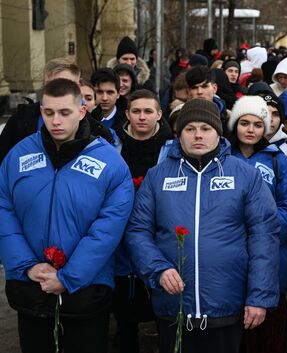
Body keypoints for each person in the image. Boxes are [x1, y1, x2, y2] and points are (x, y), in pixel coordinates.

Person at [124, 98, 281, 353]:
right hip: (173, 306)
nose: (198, 135)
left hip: (226, 305)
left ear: (218, 132)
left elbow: (264, 235)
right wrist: (158, 269)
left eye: (206, 129)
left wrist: (259, 297)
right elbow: (137, 230)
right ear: (179, 133)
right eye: (190, 129)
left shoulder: (245, 175)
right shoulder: (158, 176)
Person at [0, 78, 134, 353]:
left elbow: (107, 229)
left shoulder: (110, 163)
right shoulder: (18, 155)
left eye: (64, 113)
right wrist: (27, 265)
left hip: (85, 292)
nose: (55, 121)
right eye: (48, 113)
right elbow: (4, 209)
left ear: (82, 111)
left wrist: (69, 277)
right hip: (31, 288)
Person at [228, 96, 287, 353]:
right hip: (229, 255)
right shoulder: (223, 157)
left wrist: (264, 233)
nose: (250, 130)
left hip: (270, 256)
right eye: (244, 123)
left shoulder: (277, 160)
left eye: (258, 124)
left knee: (267, 331)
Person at [112, 89, 172, 353]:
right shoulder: (112, 146)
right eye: (136, 111)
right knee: (124, 316)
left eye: (148, 111)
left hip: (160, 236)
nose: (142, 117)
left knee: (163, 312)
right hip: (120, 237)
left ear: (159, 114)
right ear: (127, 114)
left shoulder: (171, 148)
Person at [0, 58, 113, 163]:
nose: (57, 91)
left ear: (78, 87)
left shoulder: (97, 131)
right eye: (51, 85)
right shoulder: (20, 121)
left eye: (64, 85)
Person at [185, 66, 229, 134]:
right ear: (188, 91)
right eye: (194, 88)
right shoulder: (179, 116)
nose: (199, 92)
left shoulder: (228, 119)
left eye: (204, 86)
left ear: (214, 88)